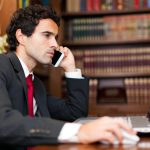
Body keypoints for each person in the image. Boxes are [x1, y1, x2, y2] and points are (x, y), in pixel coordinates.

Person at [0, 4, 136, 150]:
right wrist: (79, 132)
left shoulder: (35, 84)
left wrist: (70, 69)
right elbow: (4, 123)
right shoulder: (3, 66)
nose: (55, 44)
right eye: (47, 35)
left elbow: (74, 113)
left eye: (55, 37)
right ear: (21, 37)